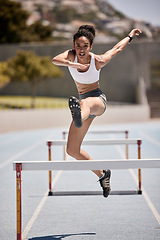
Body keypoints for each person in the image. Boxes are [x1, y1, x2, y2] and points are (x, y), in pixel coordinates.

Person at [52, 25, 142, 198]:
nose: (81, 49)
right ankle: (102, 174)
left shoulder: (98, 60)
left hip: (97, 101)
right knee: (72, 150)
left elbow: (117, 49)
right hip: (83, 105)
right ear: (74, 45)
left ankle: (78, 115)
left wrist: (130, 36)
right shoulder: (70, 55)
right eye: (78, 45)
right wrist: (71, 63)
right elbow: (55, 60)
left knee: (84, 103)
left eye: (85, 46)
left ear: (90, 47)